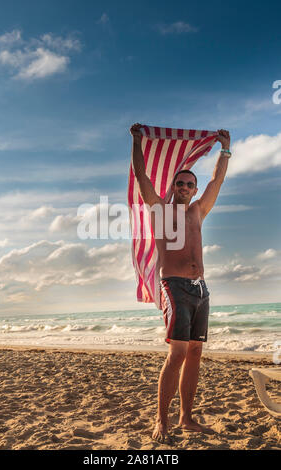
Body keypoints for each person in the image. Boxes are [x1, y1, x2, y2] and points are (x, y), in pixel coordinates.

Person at [130, 123, 231, 442]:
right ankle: (161, 420)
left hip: (201, 289)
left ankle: (186, 417)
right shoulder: (160, 210)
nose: (185, 187)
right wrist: (137, 142)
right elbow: (142, 177)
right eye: (181, 183)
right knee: (177, 354)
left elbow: (217, 180)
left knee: (196, 353)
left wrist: (225, 150)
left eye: (190, 184)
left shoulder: (199, 211)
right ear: (173, 186)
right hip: (173, 286)